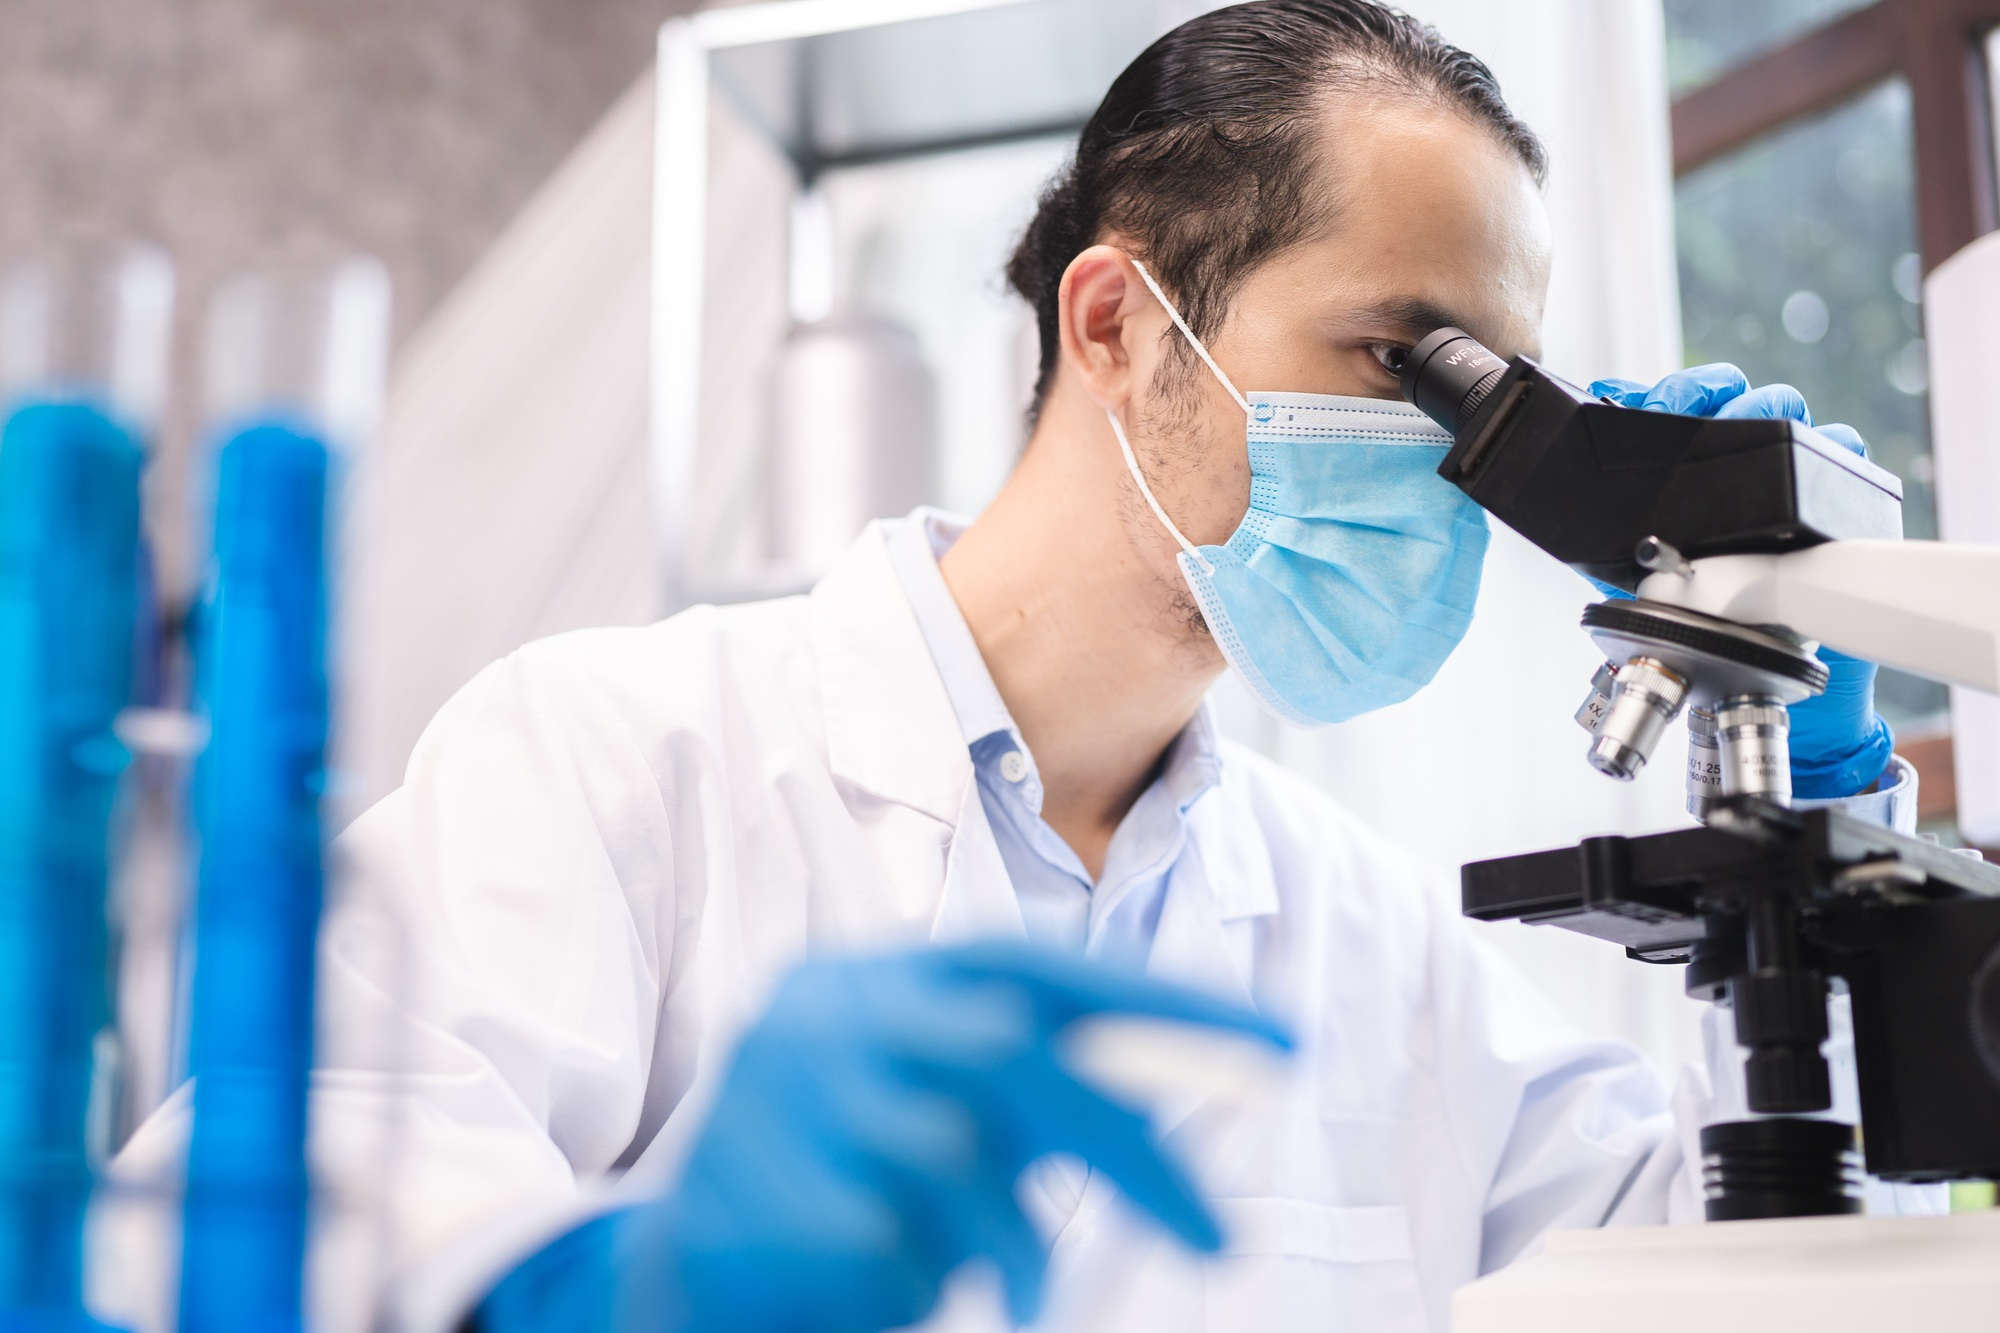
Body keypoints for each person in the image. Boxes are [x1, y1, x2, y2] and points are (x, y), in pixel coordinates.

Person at [102, 3, 1913, 1331]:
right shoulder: (610, 757)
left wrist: (1828, 837)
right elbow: (228, 1236)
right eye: (1403, 360)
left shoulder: (1369, 935)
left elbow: (1764, 1268)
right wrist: (622, 1288)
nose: (1467, 464)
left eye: (1498, 399)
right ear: (1117, 323)